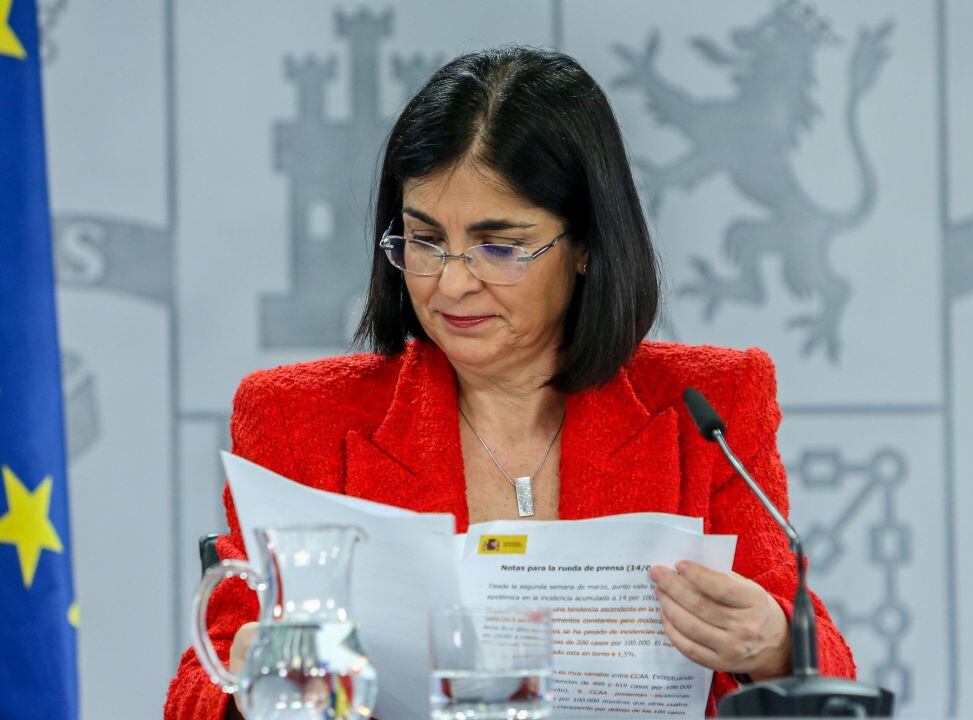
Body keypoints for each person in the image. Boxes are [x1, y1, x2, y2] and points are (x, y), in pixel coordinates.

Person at [165, 45, 855, 719]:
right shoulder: (297, 418)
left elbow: (822, 664)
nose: (453, 281)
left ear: (585, 245)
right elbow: (198, 689)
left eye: (500, 246)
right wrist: (249, 690)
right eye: (424, 240)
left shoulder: (709, 406)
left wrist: (772, 648)